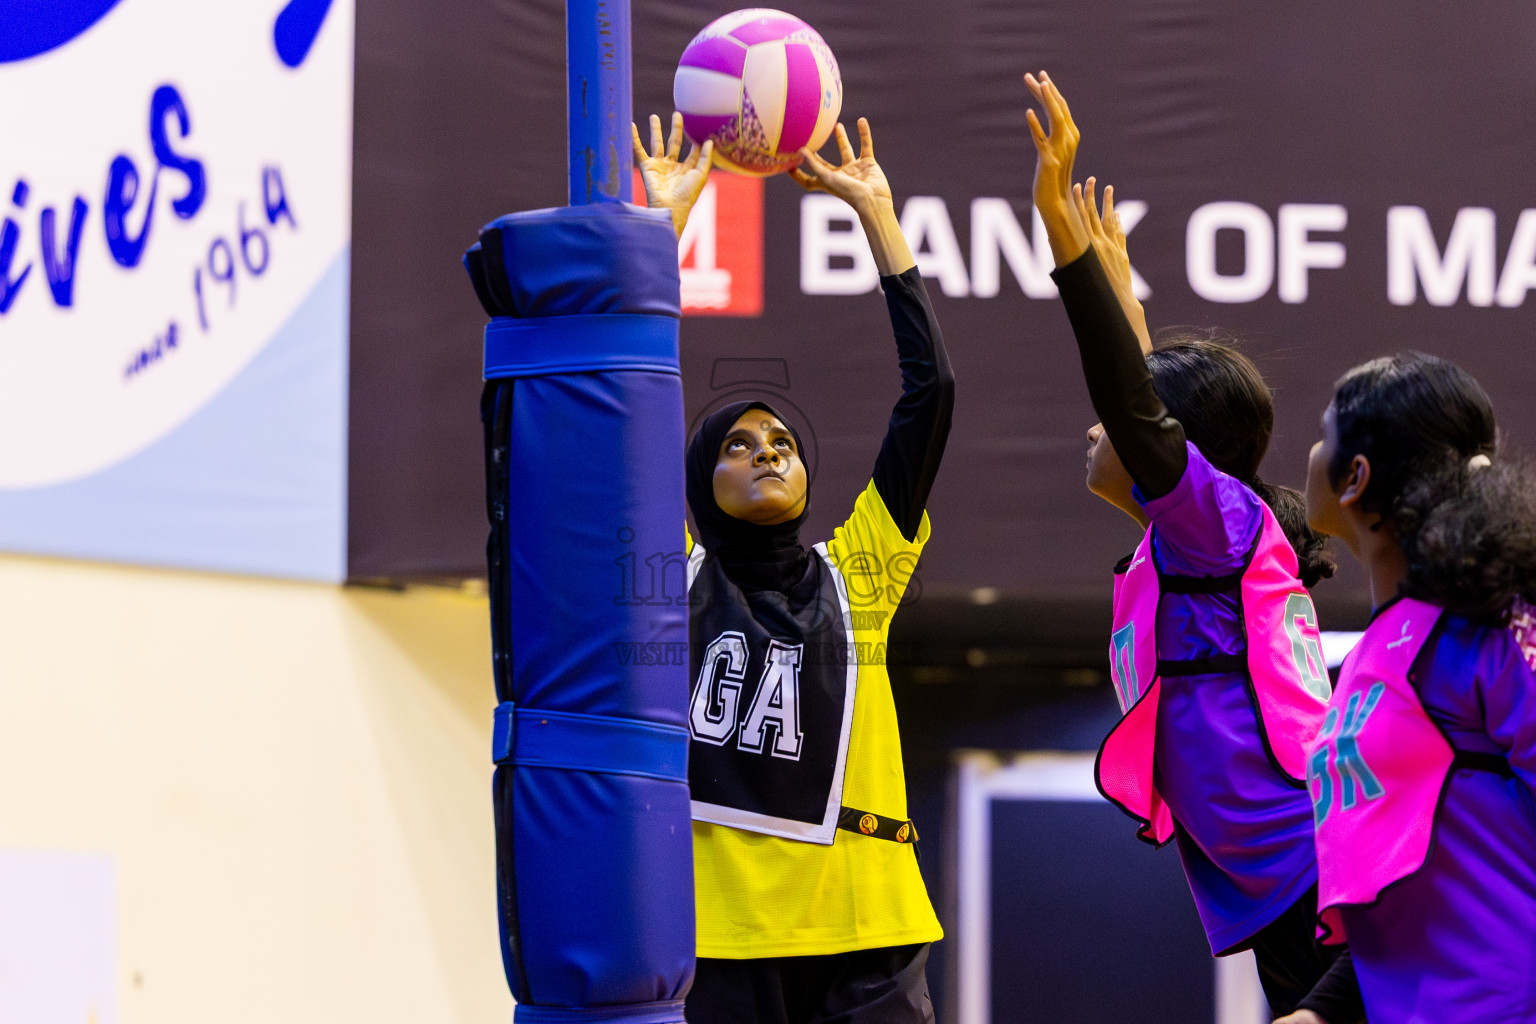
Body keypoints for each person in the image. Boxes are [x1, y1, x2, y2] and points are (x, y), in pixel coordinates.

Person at [1024, 72, 1363, 1023]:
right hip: (1276, 871)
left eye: (1117, 423)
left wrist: (1065, 245)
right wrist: (1122, 293)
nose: (1094, 432)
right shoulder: (1201, 535)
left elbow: (1133, 410)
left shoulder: (1216, 525)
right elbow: (1143, 407)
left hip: (1308, 865)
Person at [631, 112, 954, 1024]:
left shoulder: (863, 569)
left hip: (869, 928)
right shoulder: (673, 578)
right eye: (737, 444)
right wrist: (665, 233)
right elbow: (622, 415)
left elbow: (930, 395)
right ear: (699, 480)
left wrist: (878, 217)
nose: (768, 453)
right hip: (722, 936)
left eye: (781, 441)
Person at [1285, 352, 1536, 1023]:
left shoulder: (1491, 625)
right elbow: (1405, 878)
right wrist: (1318, 1012)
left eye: (1323, 434)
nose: (1308, 451)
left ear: (1355, 478)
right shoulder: (1377, 649)